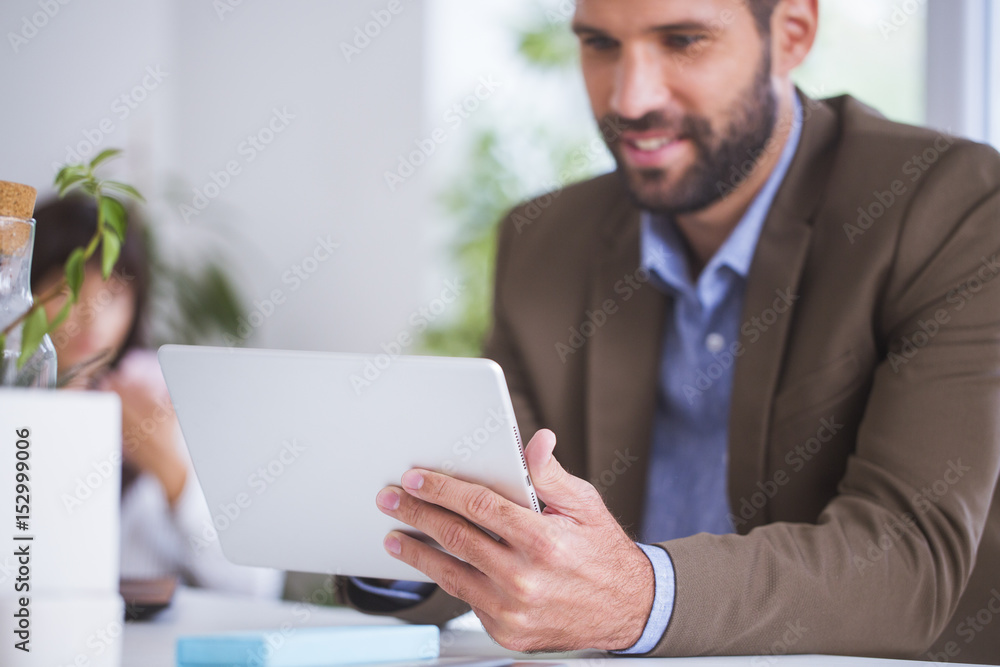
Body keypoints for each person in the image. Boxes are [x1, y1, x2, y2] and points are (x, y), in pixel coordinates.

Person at [334, 0, 1000, 663]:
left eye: (683, 40)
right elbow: (505, 517)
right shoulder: (543, 239)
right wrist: (407, 540)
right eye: (599, 43)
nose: (631, 96)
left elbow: (908, 559)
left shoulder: (949, 205)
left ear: (792, 33)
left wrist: (640, 596)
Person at [31, 195, 283, 597]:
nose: (91, 314)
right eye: (67, 288)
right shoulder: (19, 411)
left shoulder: (163, 403)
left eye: (112, 294)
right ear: (23, 290)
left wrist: (173, 478)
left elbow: (256, 584)